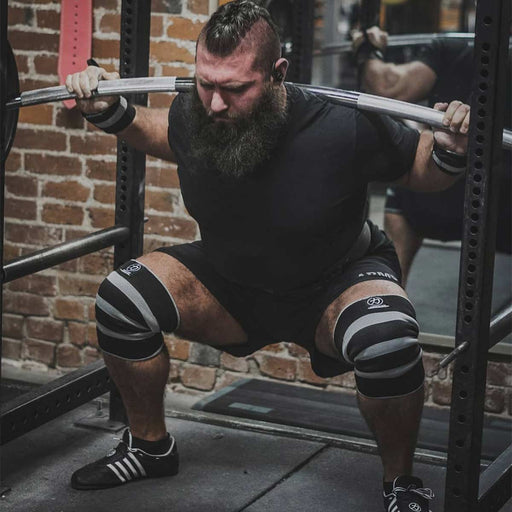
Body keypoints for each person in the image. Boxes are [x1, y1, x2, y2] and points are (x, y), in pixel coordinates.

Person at [66, 2, 471, 510]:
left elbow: (418, 168)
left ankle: (401, 481)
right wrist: (107, 109)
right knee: (121, 298)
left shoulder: (341, 122)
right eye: (206, 84)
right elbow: (160, 132)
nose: (216, 103)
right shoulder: (197, 111)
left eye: (236, 88)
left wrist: (450, 148)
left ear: (278, 72)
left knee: (386, 337)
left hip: (335, 281)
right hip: (232, 282)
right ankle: (150, 448)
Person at [351, 26, 511, 285]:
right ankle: (390, 293)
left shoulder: (453, 47)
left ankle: (390, 293)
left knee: (403, 196)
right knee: (410, 183)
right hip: (489, 199)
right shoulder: (452, 47)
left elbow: (388, 85)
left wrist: (367, 51)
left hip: (451, 195)